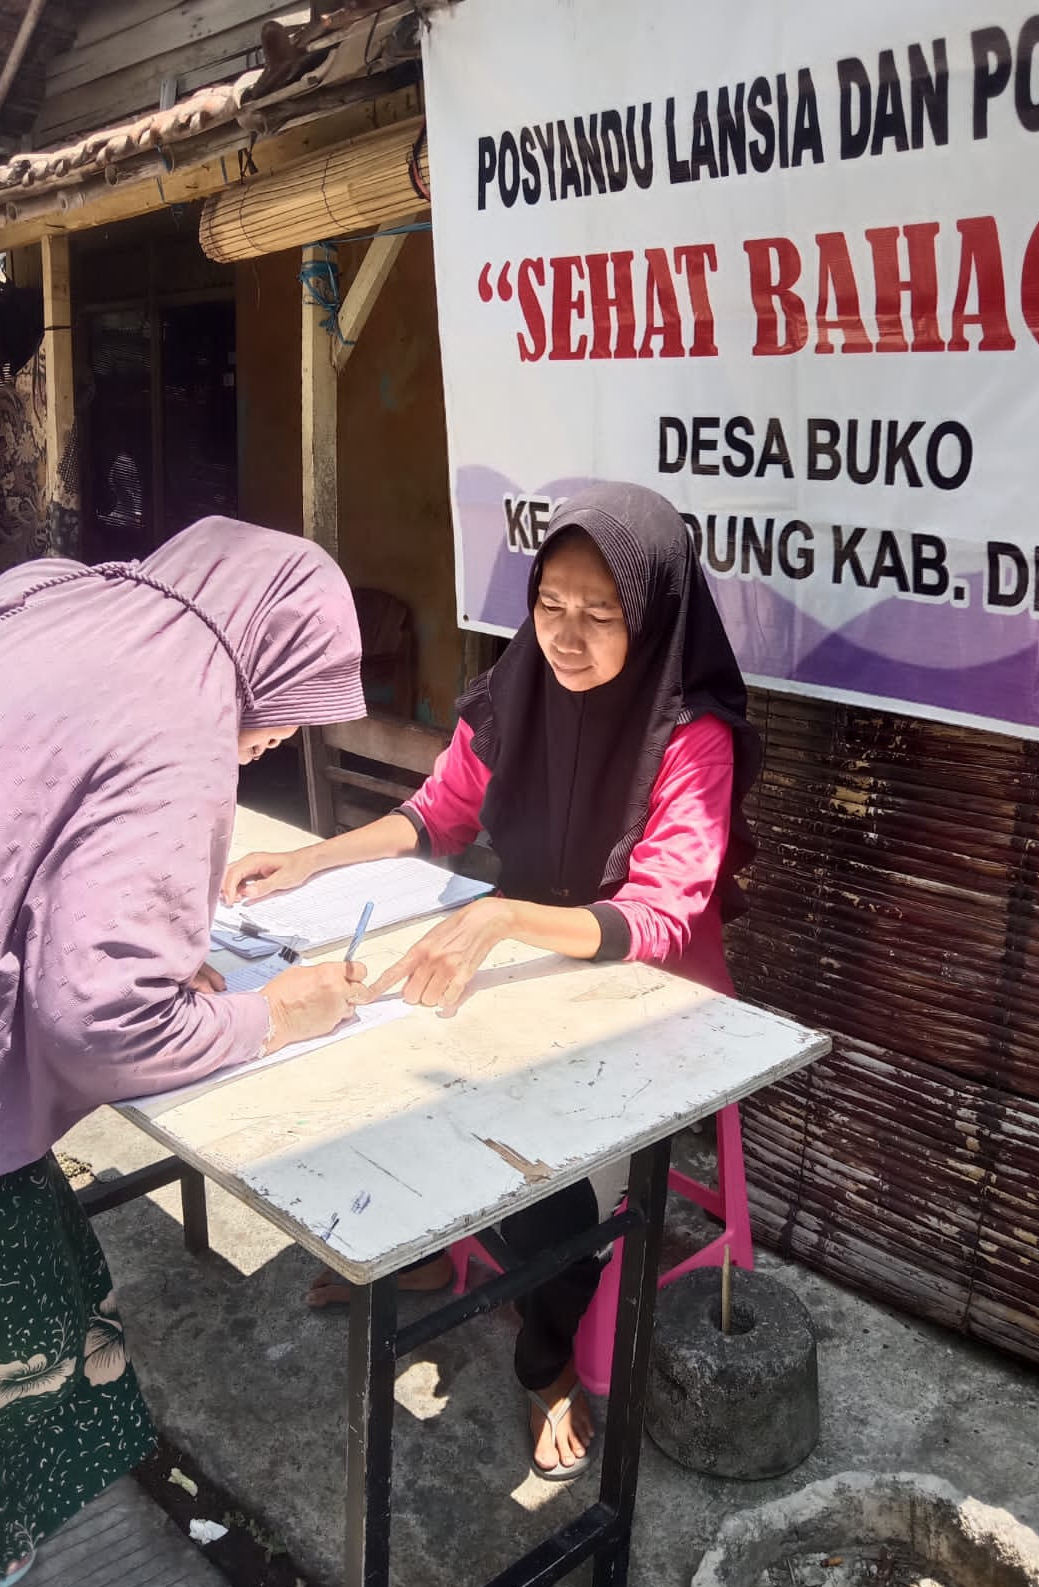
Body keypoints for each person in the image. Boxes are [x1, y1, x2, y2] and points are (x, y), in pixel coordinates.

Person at [222, 482, 762, 1480]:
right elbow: (440, 813)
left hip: (654, 998)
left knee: (551, 1173)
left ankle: (545, 1361)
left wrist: (500, 914)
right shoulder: (517, 688)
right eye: (551, 603)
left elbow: (665, 910)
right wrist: (316, 857)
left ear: (651, 615)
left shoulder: (692, 732)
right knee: (379, 1064)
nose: (568, 632)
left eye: (602, 612)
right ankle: (424, 1253)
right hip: (523, 961)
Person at [0, 517, 370, 1587]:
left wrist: (143, 952)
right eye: (294, 711)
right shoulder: (182, 704)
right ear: (269, 647)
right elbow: (102, 1025)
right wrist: (280, 1015)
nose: (282, 740)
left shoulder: (54, 594)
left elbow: (4, 821)